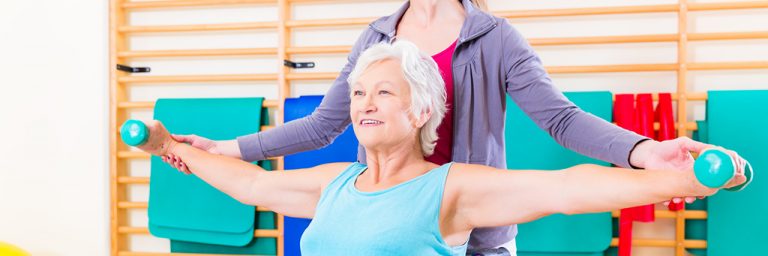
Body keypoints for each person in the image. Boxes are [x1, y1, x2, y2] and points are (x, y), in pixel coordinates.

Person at [159, 0, 745, 253]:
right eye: (366, 91)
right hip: (383, 213)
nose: (369, 101)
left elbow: (562, 128)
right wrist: (225, 146)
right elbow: (319, 127)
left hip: (467, 218)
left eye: (380, 92)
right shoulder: (376, 37)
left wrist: (651, 158)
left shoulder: (495, 37)